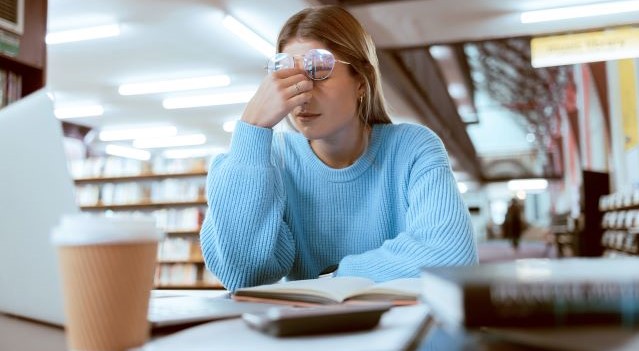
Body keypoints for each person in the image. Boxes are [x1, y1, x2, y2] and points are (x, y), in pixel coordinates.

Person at [200, 5, 477, 292]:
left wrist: (335, 279)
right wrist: (252, 129)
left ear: (361, 80)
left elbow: (451, 258)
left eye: (319, 70)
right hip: (306, 331)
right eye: (285, 75)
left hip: (399, 330)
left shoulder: (413, 148)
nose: (301, 95)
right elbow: (242, 274)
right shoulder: (270, 160)